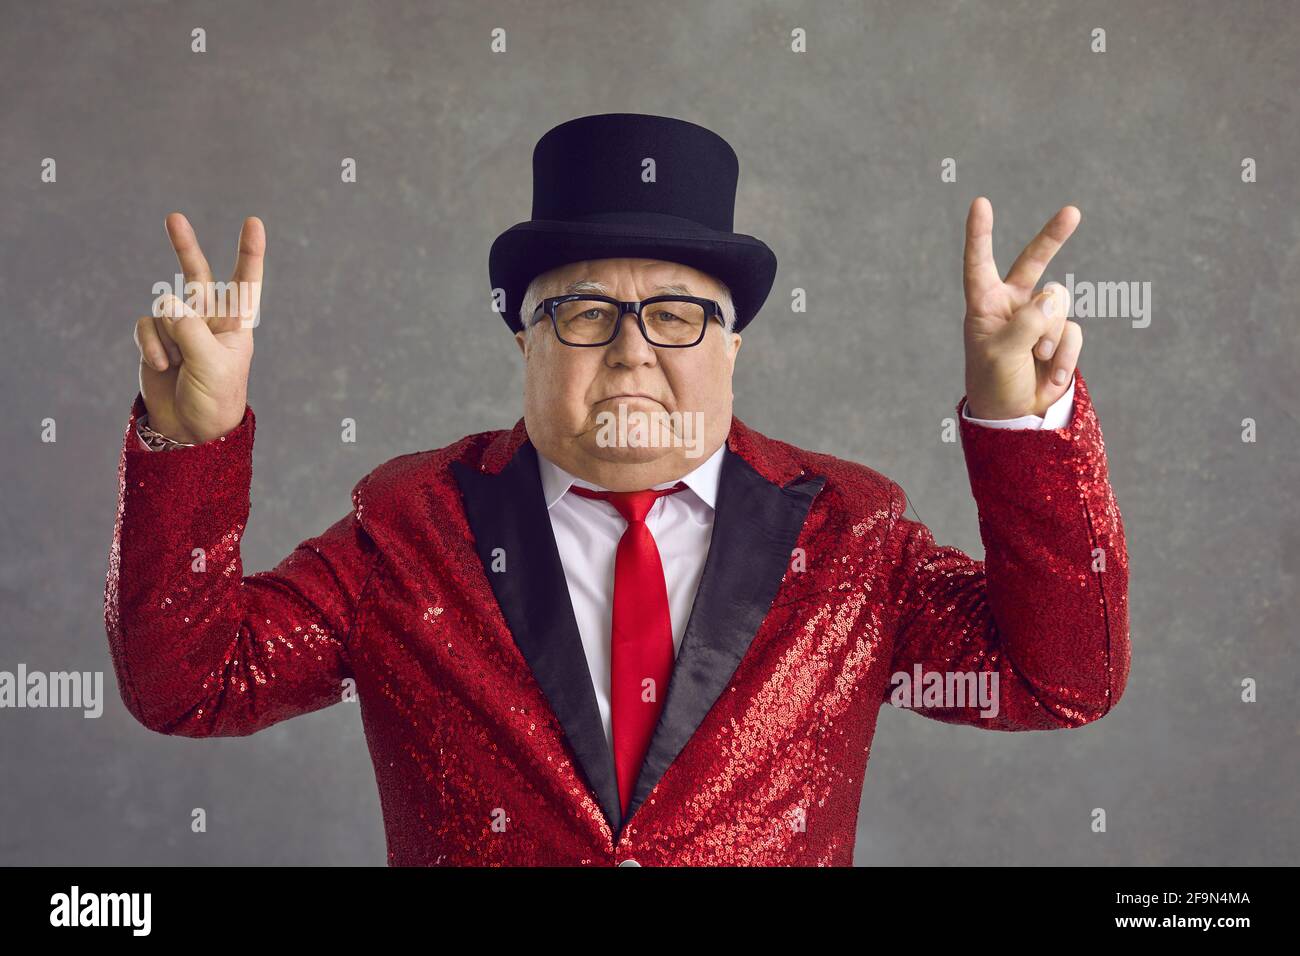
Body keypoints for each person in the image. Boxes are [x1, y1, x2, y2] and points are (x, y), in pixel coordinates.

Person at [105, 112, 1130, 866]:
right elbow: (191, 684)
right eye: (583, 313)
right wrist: (192, 440)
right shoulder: (409, 527)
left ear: (733, 348)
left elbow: (1057, 680)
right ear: (523, 340)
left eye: (678, 314)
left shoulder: (850, 532)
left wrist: (1020, 424)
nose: (633, 352)